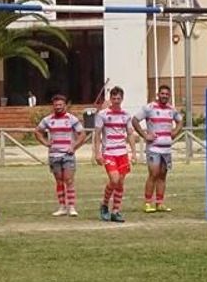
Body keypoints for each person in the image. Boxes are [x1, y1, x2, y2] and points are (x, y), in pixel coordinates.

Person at [133, 84, 182, 212]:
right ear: (158, 94)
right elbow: (135, 120)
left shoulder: (171, 109)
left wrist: (175, 131)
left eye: (167, 94)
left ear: (169, 96)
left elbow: (180, 121)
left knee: (163, 175)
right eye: (162, 94)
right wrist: (144, 135)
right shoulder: (150, 107)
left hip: (166, 148)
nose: (164, 96)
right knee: (153, 174)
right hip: (154, 147)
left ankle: (160, 203)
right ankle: (148, 202)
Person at [36, 93, 83, 216]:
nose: (58, 107)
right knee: (59, 181)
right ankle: (62, 206)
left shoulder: (71, 119)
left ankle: (71, 207)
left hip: (67, 154)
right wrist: (46, 143)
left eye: (61, 104)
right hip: (54, 155)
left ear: (65, 105)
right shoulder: (48, 119)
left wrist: (74, 146)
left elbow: (82, 134)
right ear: (53, 106)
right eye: (56, 105)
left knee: (69, 179)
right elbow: (37, 131)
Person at [93, 86, 135, 222]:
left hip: (122, 152)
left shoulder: (126, 115)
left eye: (119, 98)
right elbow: (97, 134)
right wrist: (97, 153)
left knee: (121, 183)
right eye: (114, 98)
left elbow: (130, 134)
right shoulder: (103, 114)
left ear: (122, 99)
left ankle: (116, 211)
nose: (116, 101)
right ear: (110, 99)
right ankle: (104, 204)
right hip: (109, 152)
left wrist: (133, 152)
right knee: (114, 179)